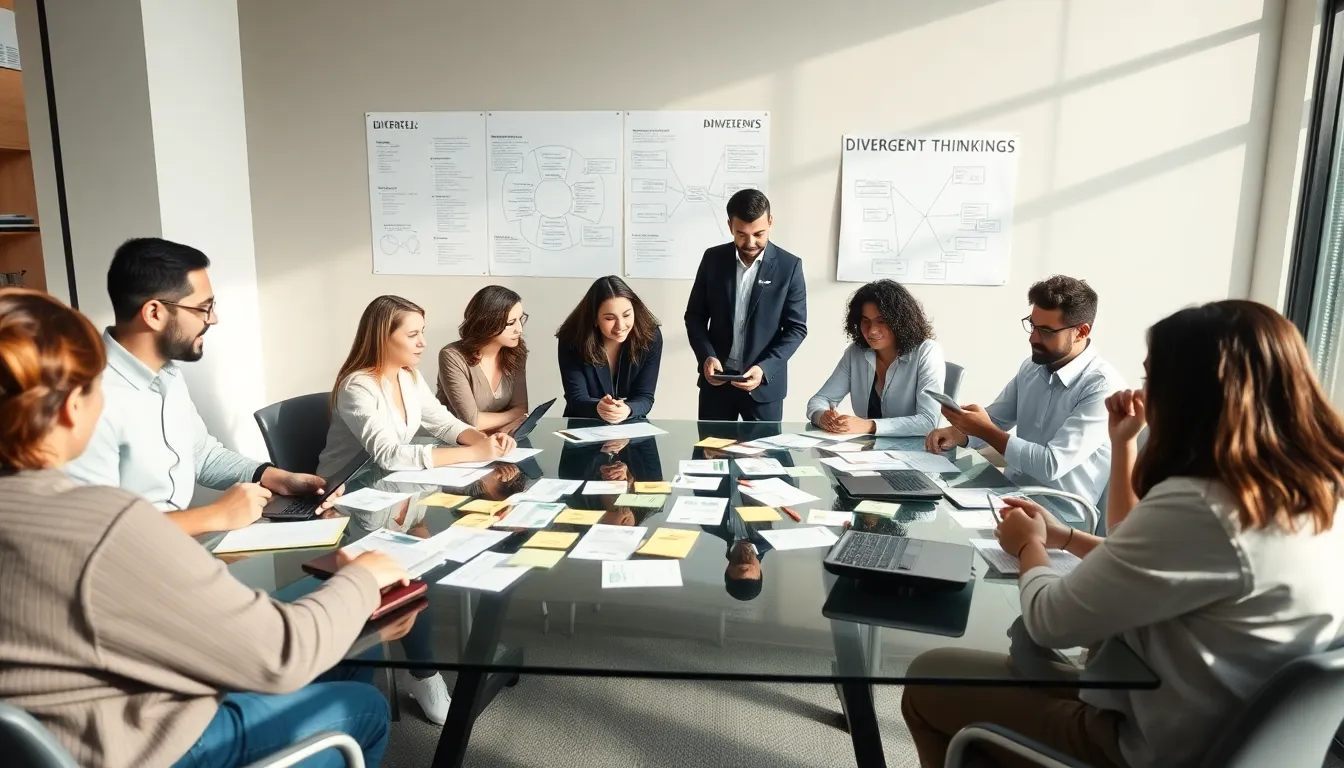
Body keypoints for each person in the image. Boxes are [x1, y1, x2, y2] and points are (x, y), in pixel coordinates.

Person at [902, 300, 1344, 768]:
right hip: (1218, 724)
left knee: (930, 677)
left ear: (1193, 393)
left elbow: (1050, 622)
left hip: (1145, 743)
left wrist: (1028, 545)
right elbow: (1130, 544)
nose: (1142, 392)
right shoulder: (1314, 493)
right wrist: (1073, 522)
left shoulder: (1203, 507)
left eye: (1153, 379)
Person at [0, 288, 411, 768]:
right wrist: (360, 578)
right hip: (147, 742)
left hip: (70, 721)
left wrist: (268, 477)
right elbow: (281, 653)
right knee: (363, 708)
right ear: (74, 406)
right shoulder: (103, 523)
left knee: (342, 640)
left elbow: (202, 454)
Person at [66, 238, 335, 536]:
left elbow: (203, 456)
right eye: (204, 308)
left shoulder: (168, 375)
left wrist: (278, 478)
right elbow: (94, 529)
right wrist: (215, 516)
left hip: (178, 545)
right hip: (131, 557)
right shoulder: (83, 399)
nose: (213, 319)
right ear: (154, 313)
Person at [925, 275, 1122, 506]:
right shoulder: (1032, 367)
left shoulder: (1103, 388)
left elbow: (1051, 465)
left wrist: (984, 430)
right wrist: (958, 432)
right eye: (1032, 325)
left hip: (1061, 512)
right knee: (929, 499)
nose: (1033, 338)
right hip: (1011, 493)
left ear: (1081, 332)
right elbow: (996, 419)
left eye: (1046, 331)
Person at [319, 295, 514, 477]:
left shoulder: (409, 376)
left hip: (388, 480)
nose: (423, 343)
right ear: (383, 338)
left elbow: (445, 425)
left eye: (422, 332)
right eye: (412, 335)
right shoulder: (357, 387)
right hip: (345, 488)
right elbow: (388, 455)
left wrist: (486, 442)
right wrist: (474, 453)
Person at [684, 189, 807, 422]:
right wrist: (706, 356)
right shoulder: (713, 259)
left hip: (763, 386)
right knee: (712, 446)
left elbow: (796, 329)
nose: (750, 243)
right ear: (730, 226)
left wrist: (764, 368)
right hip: (717, 383)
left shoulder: (789, 266)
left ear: (770, 222)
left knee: (764, 448)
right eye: (741, 234)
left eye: (758, 234)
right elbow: (695, 316)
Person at [807, 279, 945, 436]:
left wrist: (869, 426)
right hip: (866, 449)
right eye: (865, 321)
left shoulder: (927, 352)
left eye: (882, 321)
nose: (872, 330)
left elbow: (928, 422)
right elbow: (819, 400)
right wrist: (823, 417)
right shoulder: (856, 353)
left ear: (901, 322)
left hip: (916, 448)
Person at [556, 275, 663, 423]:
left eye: (627, 315)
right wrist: (598, 408)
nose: (621, 325)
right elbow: (576, 398)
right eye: (610, 318)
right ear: (594, 318)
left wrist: (628, 409)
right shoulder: (572, 339)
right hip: (584, 425)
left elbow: (645, 397)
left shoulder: (650, 337)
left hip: (632, 425)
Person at [437, 285, 529, 434]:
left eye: (521, 319)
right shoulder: (452, 356)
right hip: (454, 440)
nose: (519, 329)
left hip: (498, 438)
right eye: (510, 323)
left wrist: (502, 432)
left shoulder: (516, 352)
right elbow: (472, 421)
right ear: (488, 323)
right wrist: (513, 416)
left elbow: (521, 408)